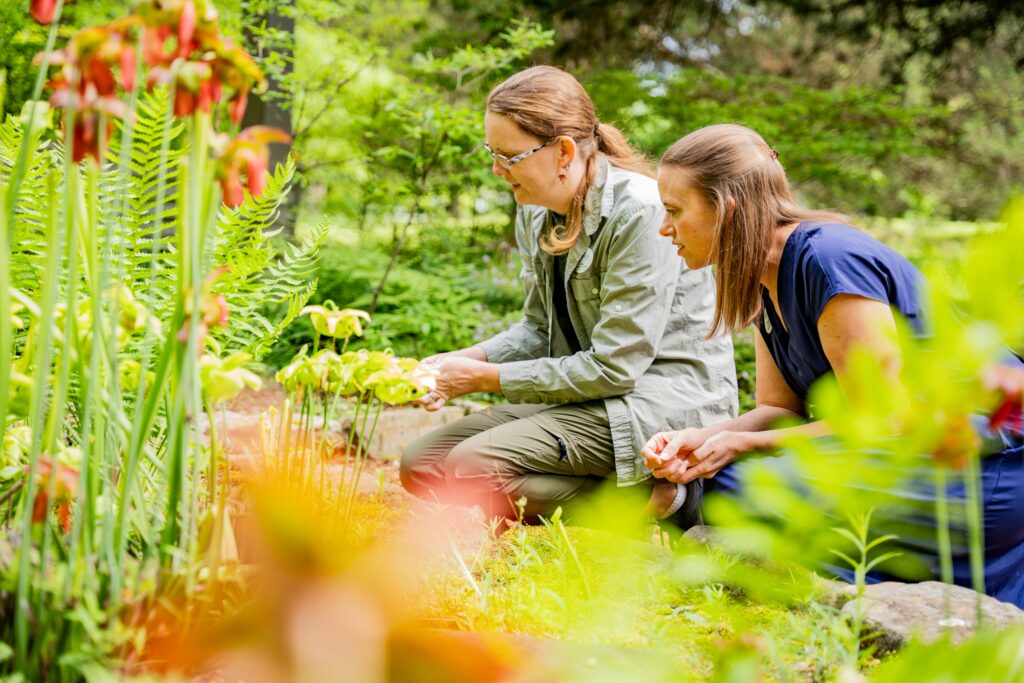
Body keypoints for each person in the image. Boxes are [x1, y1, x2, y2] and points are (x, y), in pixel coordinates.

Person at [645, 123, 1024, 606]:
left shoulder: (828, 259)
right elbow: (778, 409)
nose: (664, 227)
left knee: (741, 485)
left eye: (675, 211)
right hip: (901, 452)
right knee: (726, 478)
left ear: (726, 207)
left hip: (979, 460)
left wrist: (746, 444)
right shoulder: (761, 278)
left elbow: (882, 418)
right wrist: (702, 439)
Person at [399, 66, 737, 526]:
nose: (496, 170)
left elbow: (615, 367)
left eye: (509, 156)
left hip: (655, 403)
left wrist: (483, 379)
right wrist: (455, 363)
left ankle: (671, 503)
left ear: (563, 151)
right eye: (491, 152)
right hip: (590, 396)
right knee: (422, 464)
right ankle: (642, 496)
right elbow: (537, 329)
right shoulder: (536, 212)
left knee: (473, 467)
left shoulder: (638, 212)